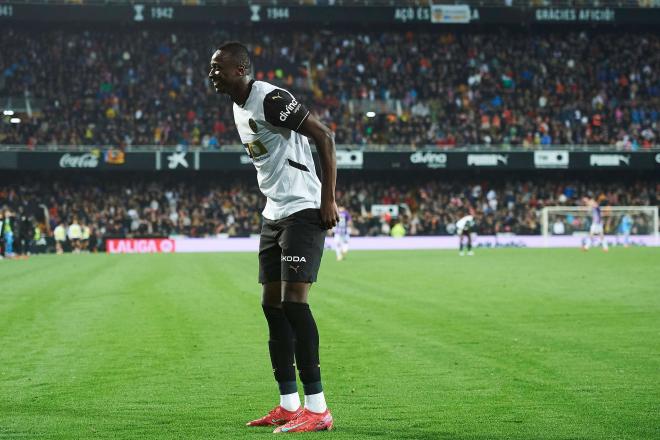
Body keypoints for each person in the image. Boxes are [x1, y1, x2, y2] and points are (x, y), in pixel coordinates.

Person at [209, 42, 339, 433]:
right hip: (274, 214)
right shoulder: (237, 105)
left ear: (241, 69)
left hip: (303, 209)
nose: (212, 73)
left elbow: (325, 136)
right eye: (211, 67)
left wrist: (327, 198)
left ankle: (318, 408)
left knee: (294, 303)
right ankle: (288, 403)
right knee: (272, 305)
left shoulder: (270, 99)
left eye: (219, 67)